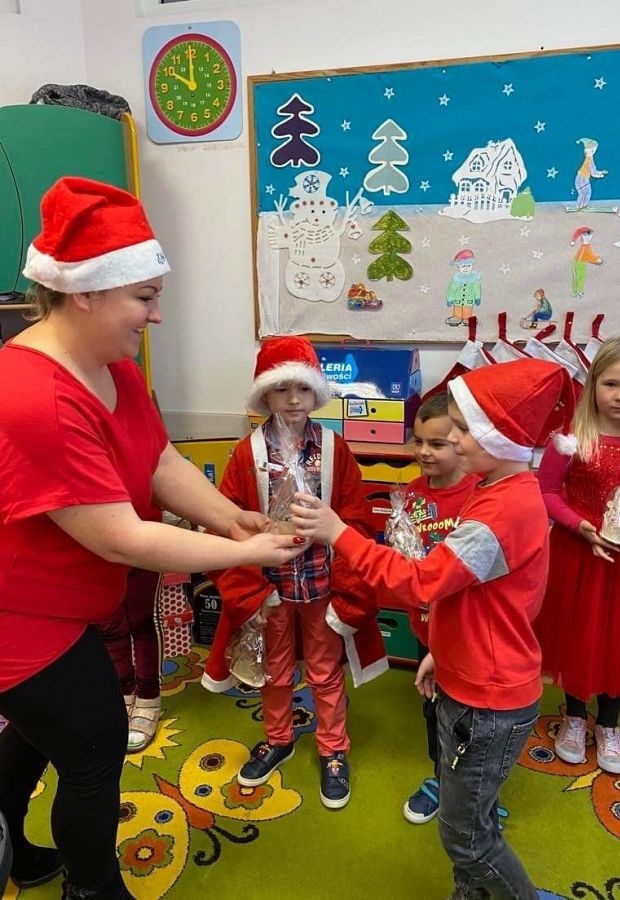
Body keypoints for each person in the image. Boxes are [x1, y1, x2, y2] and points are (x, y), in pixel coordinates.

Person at [0, 176, 305, 900]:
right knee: (94, 748)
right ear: (86, 292)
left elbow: (159, 461)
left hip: (65, 606)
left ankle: (15, 844)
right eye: (144, 297)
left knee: (46, 733)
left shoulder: (113, 367)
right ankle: (93, 889)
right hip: (21, 619)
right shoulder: (36, 397)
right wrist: (246, 552)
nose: (157, 314)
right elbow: (122, 539)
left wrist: (229, 516)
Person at [291, 357, 576, 899]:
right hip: (470, 679)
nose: (456, 439)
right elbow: (471, 597)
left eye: (465, 429)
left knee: (467, 839)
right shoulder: (496, 490)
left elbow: (422, 582)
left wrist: (340, 534)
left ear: (500, 438)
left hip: (488, 701)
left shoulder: (500, 512)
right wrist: (442, 651)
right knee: (468, 816)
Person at [201, 336, 386, 811]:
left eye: (302, 388)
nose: (293, 399)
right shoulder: (248, 453)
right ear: (265, 394)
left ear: (315, 393)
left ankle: (333, 748)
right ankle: (278, 738)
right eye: (281, 389)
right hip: (272, 589)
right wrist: (250, 587)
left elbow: (356, 515)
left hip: (322, 583)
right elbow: (228, 520)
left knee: (325, 671)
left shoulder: (334, 448)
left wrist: (345, 571)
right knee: (275, 671)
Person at [535, 337, 620, 775]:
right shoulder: (571, 438)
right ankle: (575, 717)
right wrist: (580, 526)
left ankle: (610, 724)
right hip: (578, 557)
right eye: (611, 384)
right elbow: (545, 491)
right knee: (579, 636)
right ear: (593, 384)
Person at [398, 392, 479, 825]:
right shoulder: (411, 494)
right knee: (432, 707)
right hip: (424, 626)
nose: (424, 452)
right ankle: (440, 777)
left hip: (467, 630)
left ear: (462, 442)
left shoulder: (480, 493)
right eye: (418, 441)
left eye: (437, 443)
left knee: (470, 715)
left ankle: (475, 793)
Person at [98, 567, 163, 753]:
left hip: (142, 553)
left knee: (143, 619)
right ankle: (124, 692)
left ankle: (149, 696)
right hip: (96, 555)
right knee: (109, 624)